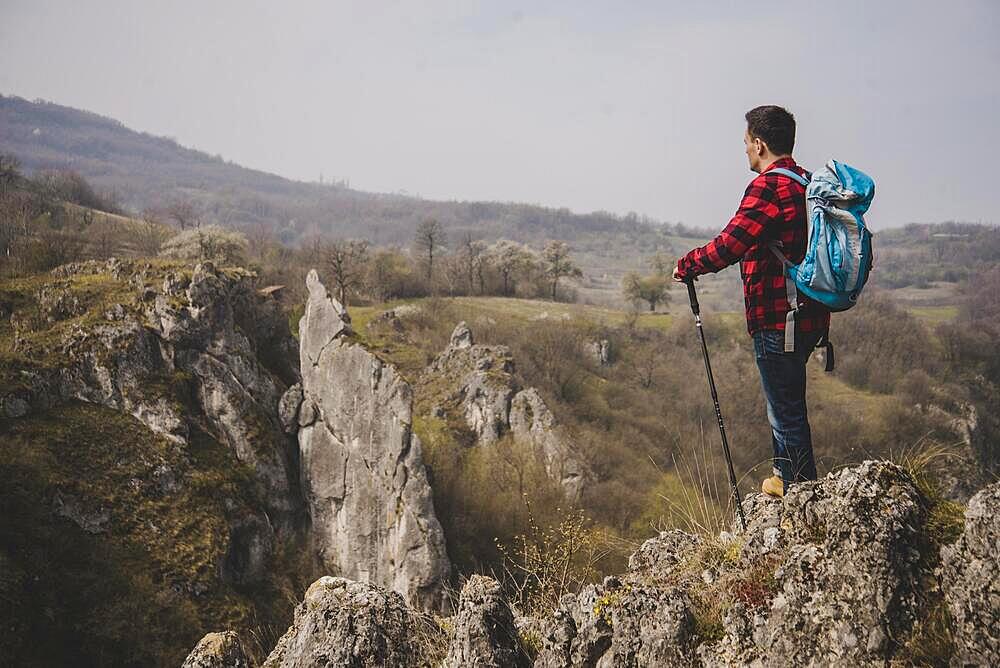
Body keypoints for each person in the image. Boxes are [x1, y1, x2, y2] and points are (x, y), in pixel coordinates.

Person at [672, 105, 829, 498]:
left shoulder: (769, 187)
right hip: (811, 314)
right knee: (789, 403)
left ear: (759, 144)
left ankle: (798, 494)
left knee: (785, 412)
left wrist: (688, 264)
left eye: (745, 143)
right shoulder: (806, 182)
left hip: (779, 316)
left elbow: (731, 243)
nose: (744, 151)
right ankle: (784, 477)